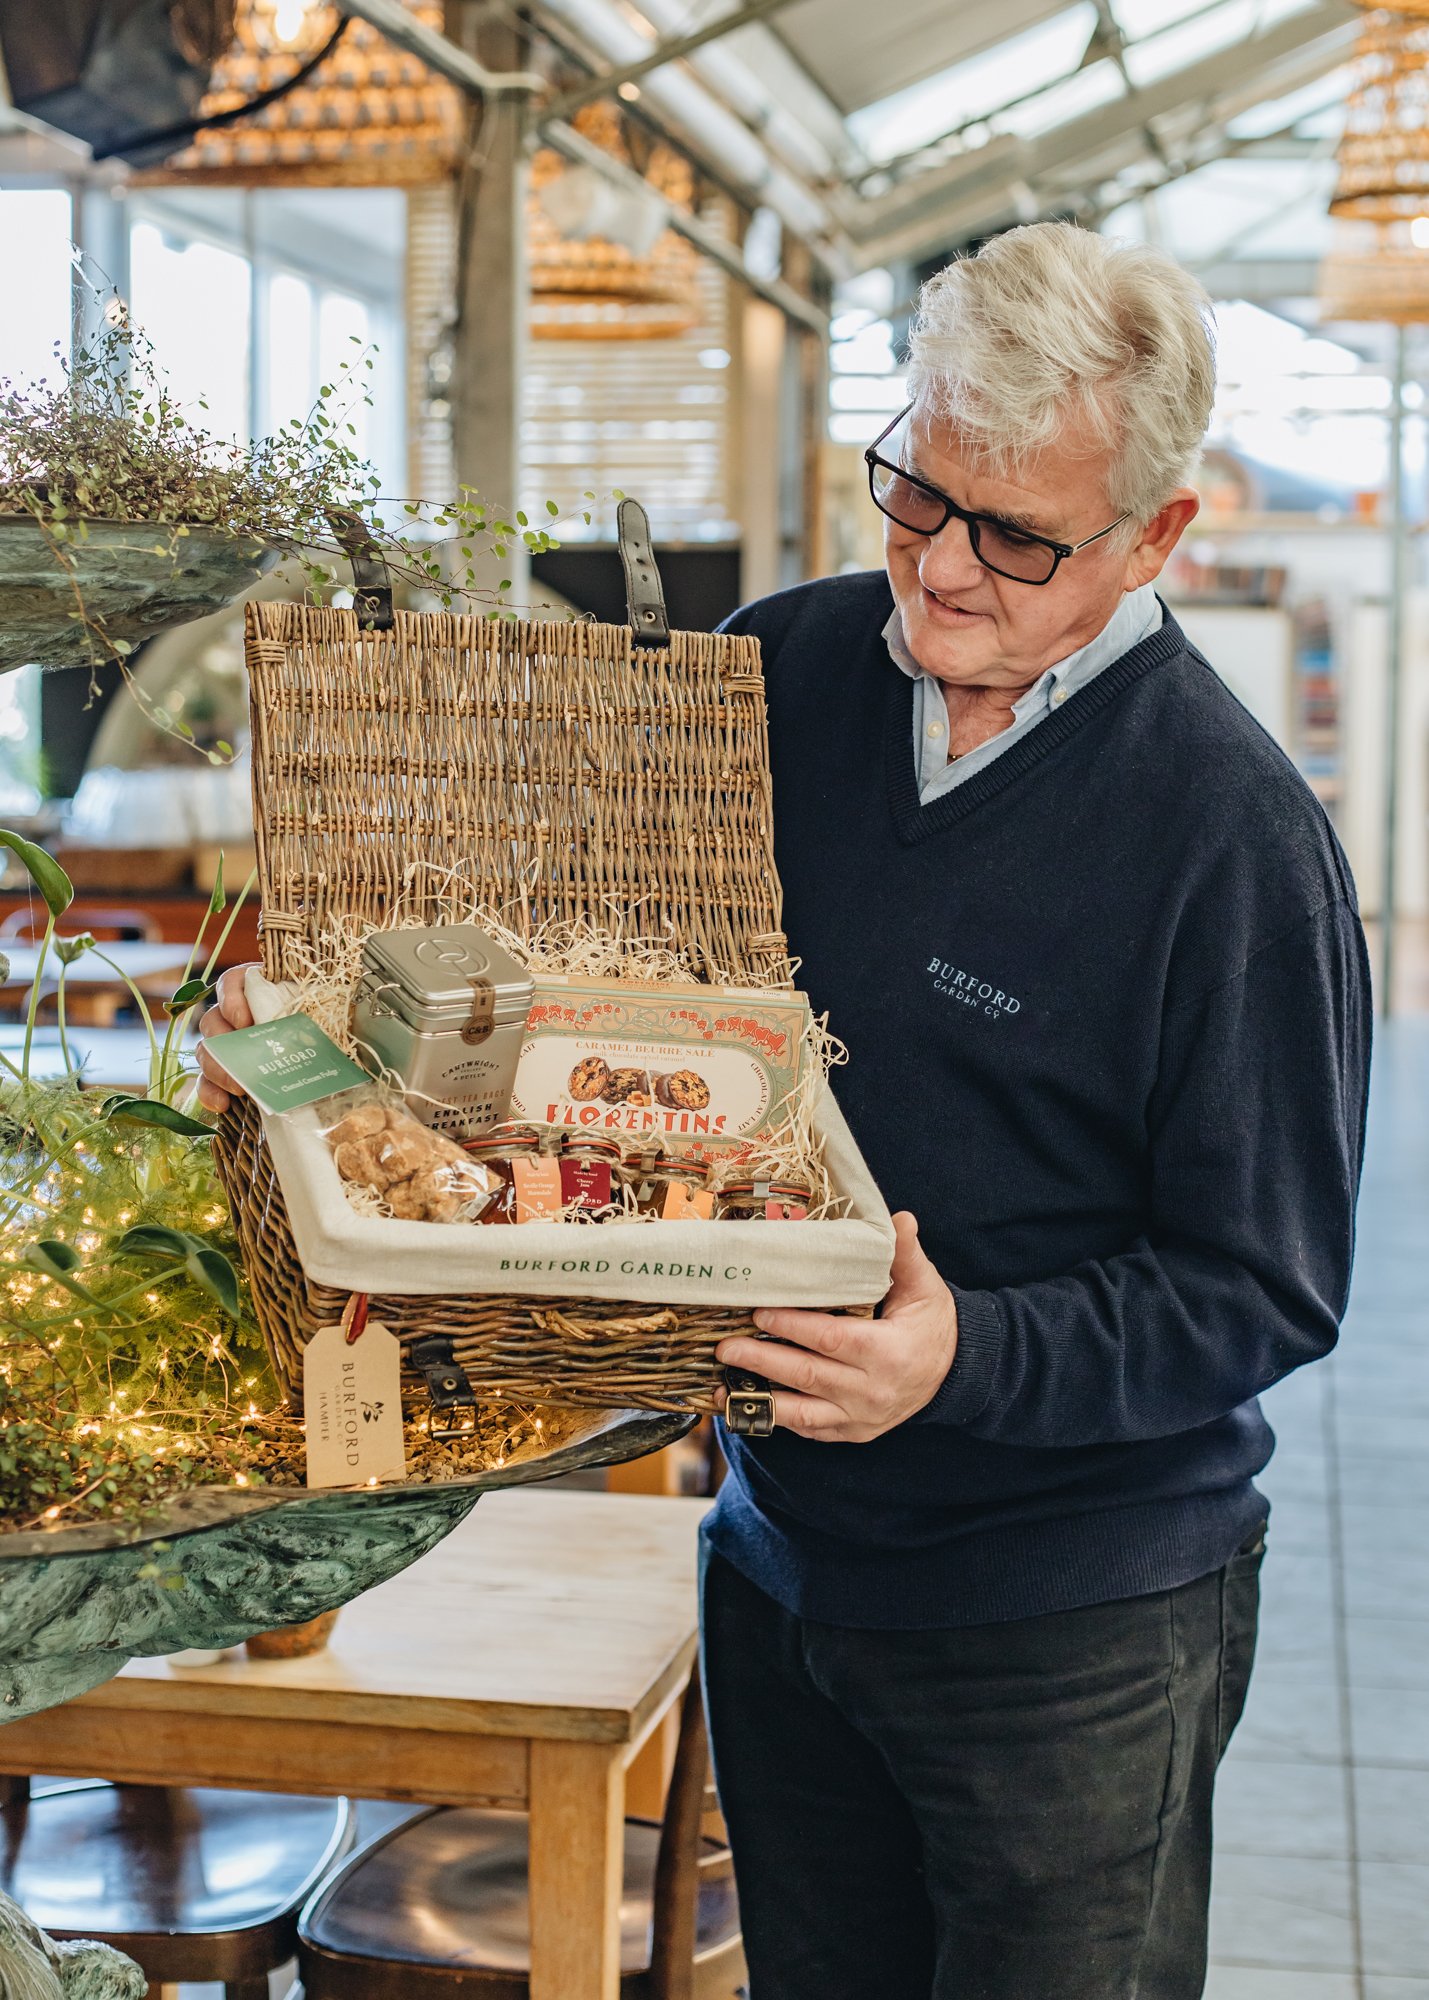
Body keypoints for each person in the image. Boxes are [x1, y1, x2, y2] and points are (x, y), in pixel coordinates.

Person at [197, 222, 1372, 2000]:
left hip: (1070, 1623)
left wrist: (959, 1354)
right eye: (915, 493)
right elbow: (573, 999)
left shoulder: (1231, 843)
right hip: (775, 1555)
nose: (941, 569)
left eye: (1015, 536)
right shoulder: (778, 675)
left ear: (1153, 537)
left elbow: (1263, 1289)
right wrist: (317, 1045)